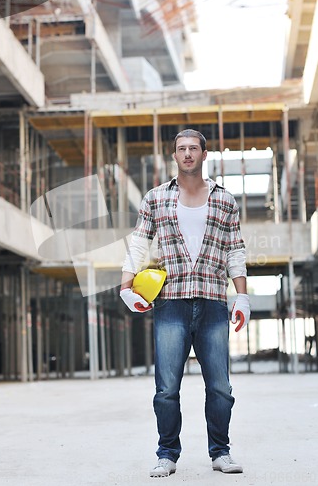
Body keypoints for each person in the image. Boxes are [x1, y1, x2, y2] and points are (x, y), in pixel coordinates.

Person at [120, 129, 250, 478]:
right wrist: (125, 286)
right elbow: (138, 243)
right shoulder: (155, 198)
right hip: (170, 304)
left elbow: (235, 250)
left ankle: (221, 453)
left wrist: (242, 296)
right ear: (174, 155)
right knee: (166, 388)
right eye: (182, 149)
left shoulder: (225, 200)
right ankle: (167, 454)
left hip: (212, 303)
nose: (188, 153)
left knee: (220, 386)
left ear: (204, 154)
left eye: (194, 148)